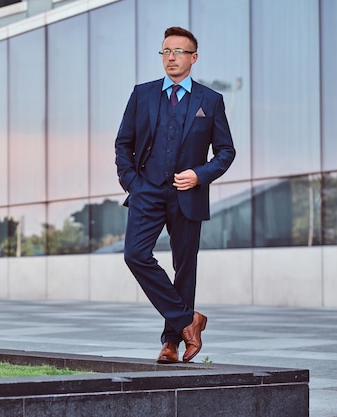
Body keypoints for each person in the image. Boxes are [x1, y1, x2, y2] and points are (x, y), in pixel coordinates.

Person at [114, 26, 235, 363]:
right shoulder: (142, 94)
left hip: (188, 195)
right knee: (135, 255)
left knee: (185, 268)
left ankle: (171, 343)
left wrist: (200, 174)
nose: (171, 57)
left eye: (179, 51)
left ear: (193, 58)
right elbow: (123, 143)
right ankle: (188, 320)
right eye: (166, 51)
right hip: (146, 192)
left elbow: (226, 152)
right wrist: (132, 183)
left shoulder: (210, 101)